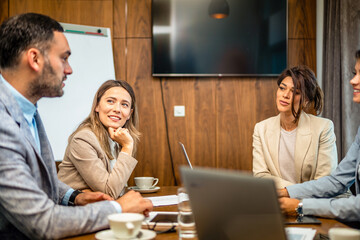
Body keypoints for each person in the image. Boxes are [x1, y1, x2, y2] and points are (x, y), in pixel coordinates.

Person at [0, 13, 152, 239]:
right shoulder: (3, 124)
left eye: (124, 105)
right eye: (64, 58)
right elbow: (43, 222)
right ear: (34, 58)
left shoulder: (29, 111)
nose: (69, 69)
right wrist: (118, 209)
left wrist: (74, 196)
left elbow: (35, 182)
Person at [278, 50, 360, 222]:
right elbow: (337, 181)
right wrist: (286, 192)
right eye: (355, 73)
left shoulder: (324, 127)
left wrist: (300, 206)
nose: (353, 81)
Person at [253, 65, 338, 189]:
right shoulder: (261, 129)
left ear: (306, 100)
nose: (285, 95)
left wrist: (296, 194)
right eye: (282, 88)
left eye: (295, 92)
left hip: (313, 203)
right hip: (279, 199)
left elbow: (325, 181)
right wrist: (291, 193)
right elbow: (260, 175)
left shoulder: (323, 128)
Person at [58, 80, 140, 199]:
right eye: (110, 101)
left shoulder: (118, 138)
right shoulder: (83, 139)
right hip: (75, 212)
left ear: (129, 114)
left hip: (100, 209)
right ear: (97, 106)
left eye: (124, 104)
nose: (117, 109)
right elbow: (110, 192)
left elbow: (117, 188)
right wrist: (127, 147)